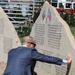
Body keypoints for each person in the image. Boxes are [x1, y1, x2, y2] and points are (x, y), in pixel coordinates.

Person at [3, 36, 72, 75]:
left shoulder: (11, 51)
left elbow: (19, 64)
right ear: (29, 43)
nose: (34, 47)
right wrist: (66, 61)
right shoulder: (30, 51)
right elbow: (46, 58)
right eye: (34, 45)